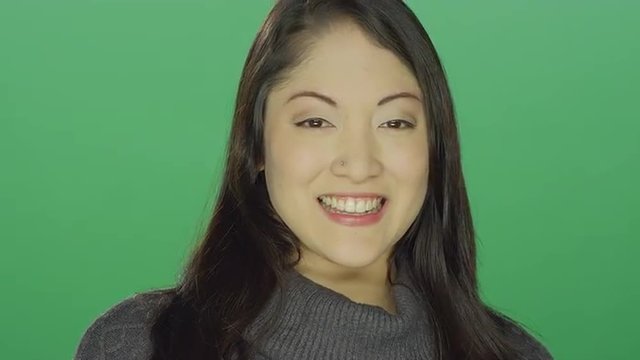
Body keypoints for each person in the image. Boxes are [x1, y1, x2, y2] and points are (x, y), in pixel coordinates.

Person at [74, 1, 553, 359]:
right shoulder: (140, 345)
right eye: (316, 122)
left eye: (395, 123)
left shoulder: (514, 354)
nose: (359, 163)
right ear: (257, 146)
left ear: (435, 149)